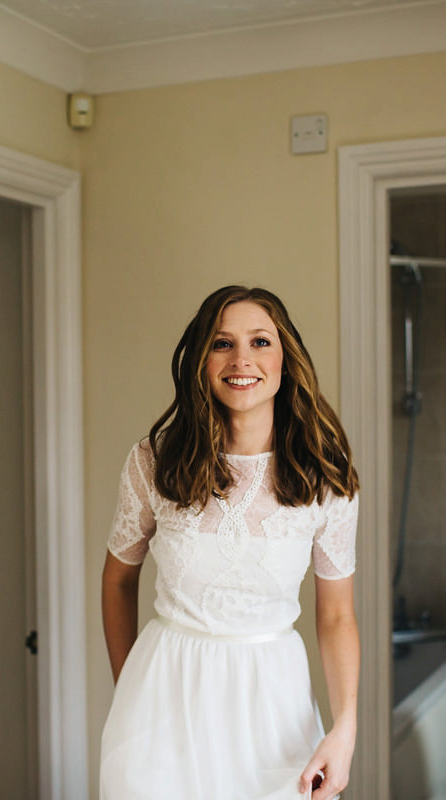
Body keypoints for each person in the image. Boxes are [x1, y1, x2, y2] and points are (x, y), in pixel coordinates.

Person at [99, 286, 361, 800]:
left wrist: (345, 728)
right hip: (161, 699)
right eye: (222, 343)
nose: (242, 360)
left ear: (287, 358)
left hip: (272, 705)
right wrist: (129, 688)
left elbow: (336, 616)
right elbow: (118, 580)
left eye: (260, 342)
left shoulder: (325, 477)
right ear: (201, 358)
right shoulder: (153, 461)